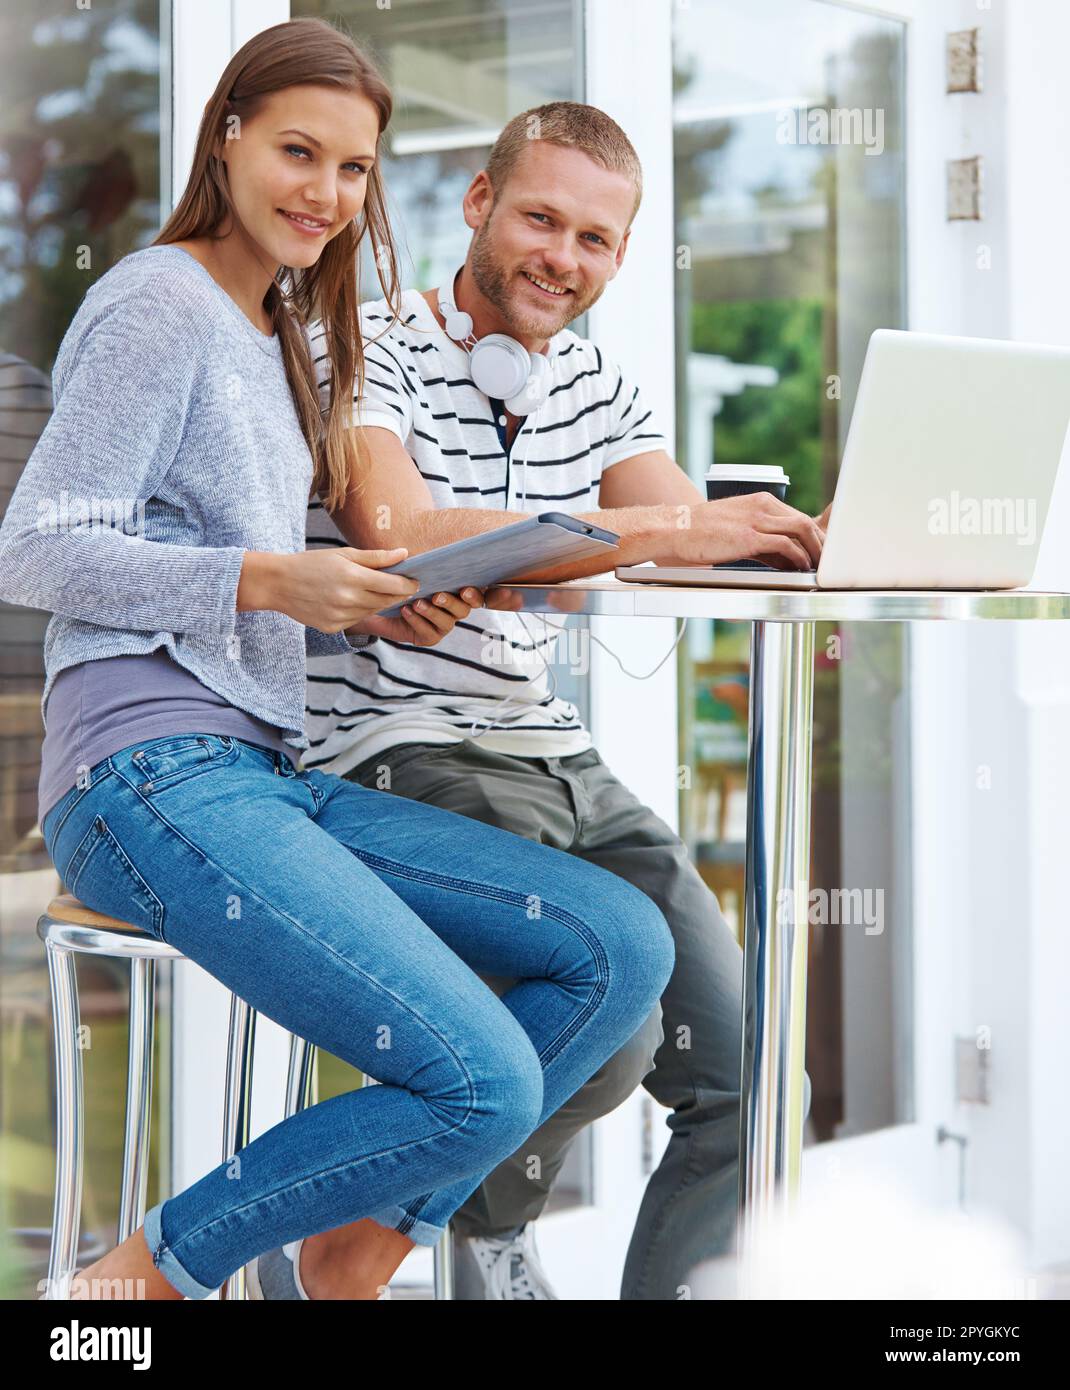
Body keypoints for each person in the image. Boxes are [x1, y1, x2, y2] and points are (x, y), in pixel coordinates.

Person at [0, 23, 673, 1301]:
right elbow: (34, 546)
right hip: (144, 774)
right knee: (478, 1077)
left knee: (618, 945)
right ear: (227, 137)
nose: (324, 192)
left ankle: (356, 1244)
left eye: (355, 168)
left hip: (260, 766)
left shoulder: (275, 332)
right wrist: (271, 580)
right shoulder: (158, 299)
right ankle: (139, 1279)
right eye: (297, 151)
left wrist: (357, 606)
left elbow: (228, 570)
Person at [302, 101, 825, 1300]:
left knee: (751, 1077)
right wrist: (661, 524)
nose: (561, 257)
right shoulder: (361, 342)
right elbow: (394, 531)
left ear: (620, 258)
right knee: (614, 1022)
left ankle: (455, 1231)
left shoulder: (595, 382)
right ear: (477, 204)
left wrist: (803, 542)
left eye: (594, 239)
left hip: (555, 755)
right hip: (396, 749)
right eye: (540, 218)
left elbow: (690, 537)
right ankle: (432, 1239)